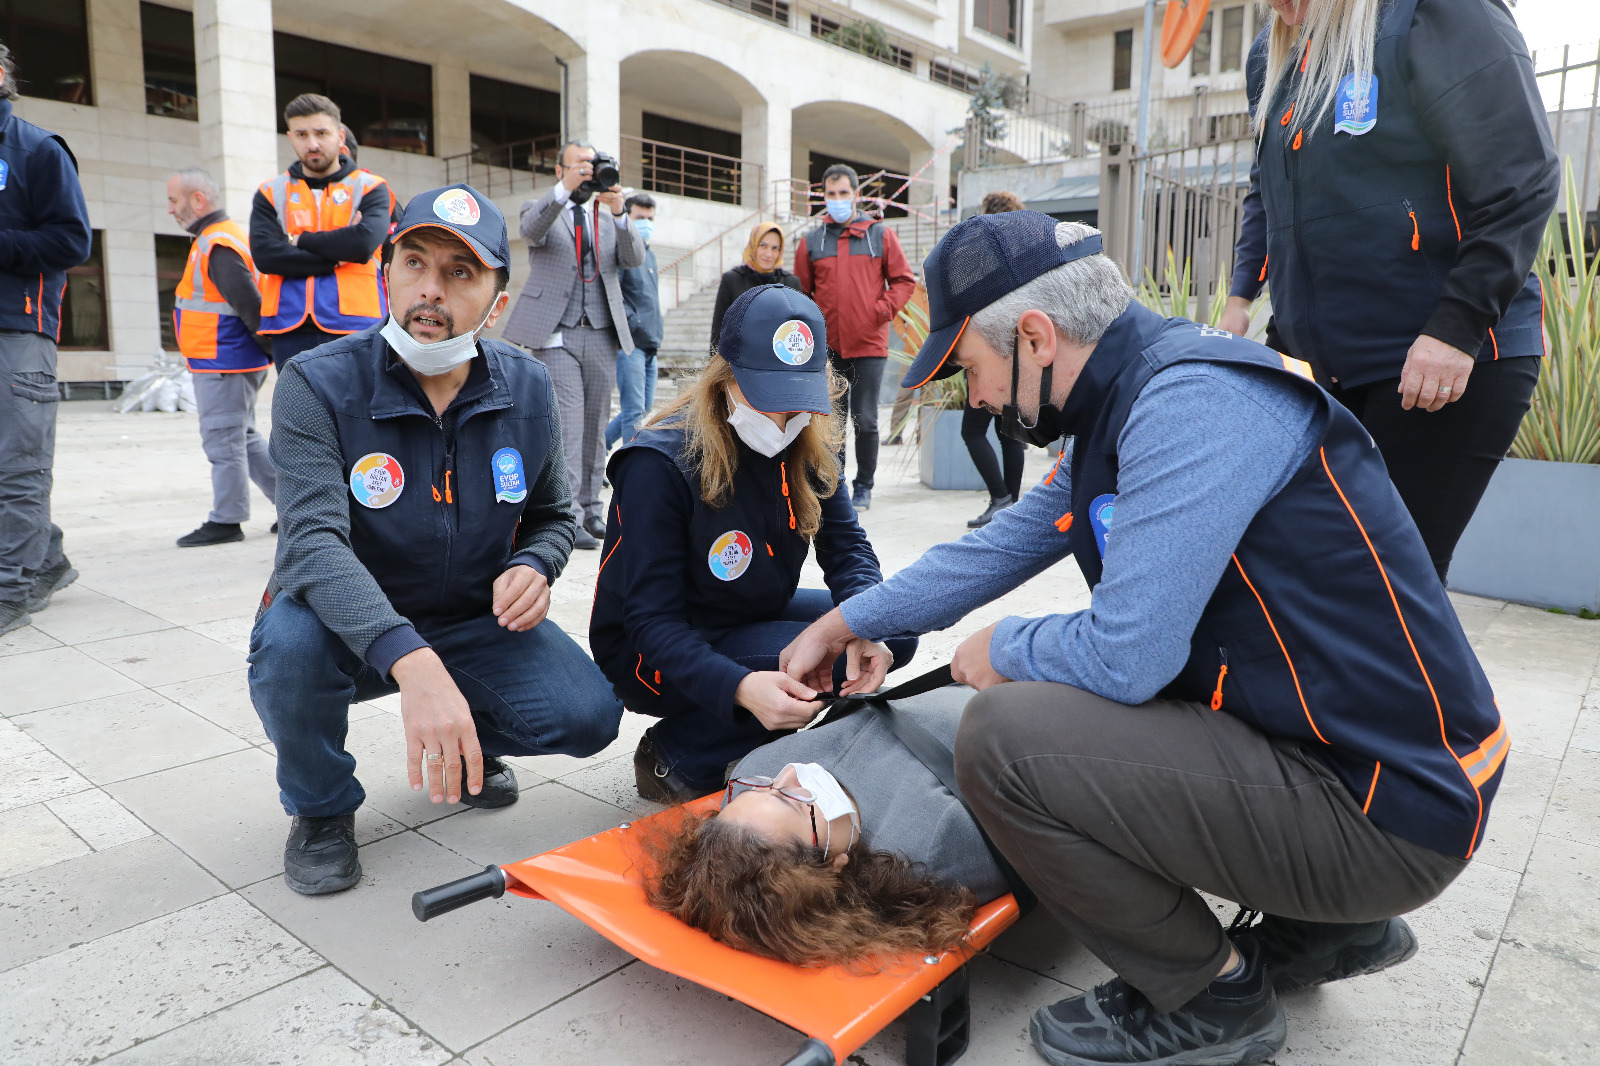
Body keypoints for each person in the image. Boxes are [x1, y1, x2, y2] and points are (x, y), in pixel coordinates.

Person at [783, 212, 1507, 1066]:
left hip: (1389, 813)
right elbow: (1004, 542)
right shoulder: (1131, 397)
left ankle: (1211, 997)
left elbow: (1129, 655)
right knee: (1080, 699)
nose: (974, 397)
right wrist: (846, 620)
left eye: (971, 369)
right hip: (1366, 773)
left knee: (1006, 738)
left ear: (1036, 337)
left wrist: (1003, 646)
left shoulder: (1192, 402)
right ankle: (1326, 931)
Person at [249, 184, 623, 895]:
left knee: (590, 716)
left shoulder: (529, 386)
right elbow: (312, 545)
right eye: (414, 263)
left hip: (466, 614)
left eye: (459, 273)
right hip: (347, 620)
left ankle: (468, 738)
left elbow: (552, 516)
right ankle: (322, 809)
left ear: (497, 302)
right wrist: (411, 663)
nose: (430, 290)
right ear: (386, 273)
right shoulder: (316, 383)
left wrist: (535, 565)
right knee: (288, 650)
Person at [1219, 0, 1558, 583]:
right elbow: (1265, 189)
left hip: (1438, 359)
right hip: (1322, 364)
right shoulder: (1270, 54)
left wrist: (1455, 327)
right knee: (1316, 581)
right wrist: (1238, 301)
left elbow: (1522, 177)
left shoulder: (1436, 13)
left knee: (1390, 588)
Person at [591, 284, 916, 802]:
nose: (782, 421)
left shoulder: (810, 439)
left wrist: (861, 622)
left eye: (797, 404)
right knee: (819, 664)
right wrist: (740, 689)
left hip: (747, 608)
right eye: (767, 400)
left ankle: (760, 721)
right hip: (654, 644)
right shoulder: (659, 463)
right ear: (727, 376)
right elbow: (651, 621)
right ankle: (678, 753)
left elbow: (848, 546)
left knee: (888, 631)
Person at [641, 685, 1003, 966]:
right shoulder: (931, 842)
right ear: (832, 864)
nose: (790, 772)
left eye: (765, 788)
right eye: (790, 799)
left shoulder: (757, 768)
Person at [501, 142, 647, 550]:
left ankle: (592, 509)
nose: (586, 174)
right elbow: (529, 231)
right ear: (560, 168)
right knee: (569, 418)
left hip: (600, 329)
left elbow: (634, 257)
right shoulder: (542, 206)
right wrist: (565, 188)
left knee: (597, 422)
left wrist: (620, 212)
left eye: (591, 166)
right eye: (578, 166)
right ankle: (566, 514)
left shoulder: (605, 214)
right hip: (555, 330)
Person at [0, 40, 91, 637]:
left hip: (20, 329)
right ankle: (48, 559)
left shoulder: (36, 148)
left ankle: (9, 587)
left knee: (17, 467)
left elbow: (72, 241)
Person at [165, 166, 278, 548]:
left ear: (198, 200)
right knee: (242, 438)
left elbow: (249, 304)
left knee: (224, 442)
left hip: (224, 361)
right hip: (226, 360)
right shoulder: (215, 238)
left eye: (174, 200)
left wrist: (268, 348)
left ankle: (227, 520)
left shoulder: (217, 242)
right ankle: (295, 508)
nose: (170, 209)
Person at [794, 164, 916, 511]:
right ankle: (837, 484)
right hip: (829, 347)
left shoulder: (879, 235)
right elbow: (802, 293)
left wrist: (880, 311)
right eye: (830, 195)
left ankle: (864, 486)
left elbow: (904, 281)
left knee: (865, 417)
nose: (836, 200)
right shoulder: (812, 241)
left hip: (869, 344)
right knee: (832, 419)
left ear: (856, 195)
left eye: (843, 193)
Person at [251, 94, 392, 371]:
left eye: (321, 133)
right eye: (302, 134)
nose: (312, 143)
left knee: (358, 410)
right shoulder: (271, 192)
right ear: (290, 137)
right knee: (298, 411)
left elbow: (362, 243)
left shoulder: (370, 187)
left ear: (339, 136)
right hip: (288, 324)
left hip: (357, 323)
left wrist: (298, 239)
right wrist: (336, 258)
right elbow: (266, 256)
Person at [963, 190, 1029, 528]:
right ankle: (1011, 505)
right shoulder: (1027, 252)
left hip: (986, 350)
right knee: (1009, 433)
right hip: (1017, 353)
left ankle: (1001, 498)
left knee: (972, 430)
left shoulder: (982, 253)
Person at [607, 192, 662, 451]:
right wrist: (632, 324)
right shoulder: (621, 251)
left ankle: (601, 445)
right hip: (631, 344)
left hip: (651, 344)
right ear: (627, 216)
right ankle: (628, 475)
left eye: (650, 218)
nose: (647, 222)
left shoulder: (649, 254)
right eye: (640, 217)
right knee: (634, 412)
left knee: (643, 410)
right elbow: (613, 293)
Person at [708, 221, 802, 348]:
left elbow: (797, 330)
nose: (768, 254)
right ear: (753, 246)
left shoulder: (791, 283)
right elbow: (718, 330)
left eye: (775, 248)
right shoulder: (732, 279)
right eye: (763, 246)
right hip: (740, 360)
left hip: (777, 361)